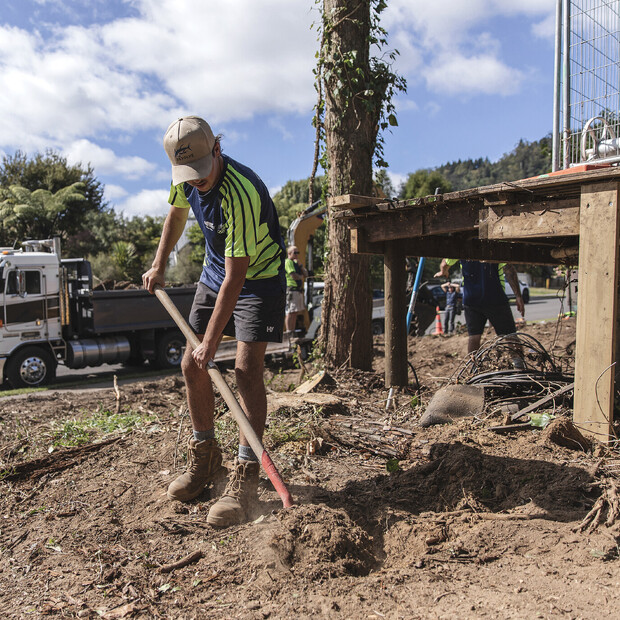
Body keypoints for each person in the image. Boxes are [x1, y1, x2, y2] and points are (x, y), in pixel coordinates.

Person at [142, 115, 286, 527]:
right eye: (189, 176)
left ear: (217, 150)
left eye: (202, 173)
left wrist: (210, 341)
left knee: (244, 370)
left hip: (257, 278)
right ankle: (205, 458)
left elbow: (237, 278)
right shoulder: (186, 175)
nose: (196, 182)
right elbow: (177, 213)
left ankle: (245, 476)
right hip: (213, 273)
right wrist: (159, 263)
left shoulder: (239, 192)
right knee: (191, 364)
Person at [434, 259, 524, 354]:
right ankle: (518, 364)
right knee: (510, 335)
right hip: (495, 296)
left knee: (474, 337)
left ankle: (474, 366)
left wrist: (443, 271)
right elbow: (509, 269)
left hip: (471, 298)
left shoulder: (462, 247)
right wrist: (518, 296)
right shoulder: (494, 246)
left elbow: (444, 264)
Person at [284, 245, 308, 338]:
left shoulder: (296, 263)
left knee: (295, 313)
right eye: (295, 252)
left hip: (297, 291)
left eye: (298, 252)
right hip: (291, 290)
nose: (297, 254)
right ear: (289, 253)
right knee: (290, 312)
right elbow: (294, 275)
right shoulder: (288, 262)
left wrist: (300, 265)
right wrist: (301, 277)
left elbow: (306, 274)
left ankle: (292, 332)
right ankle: (289, 333)